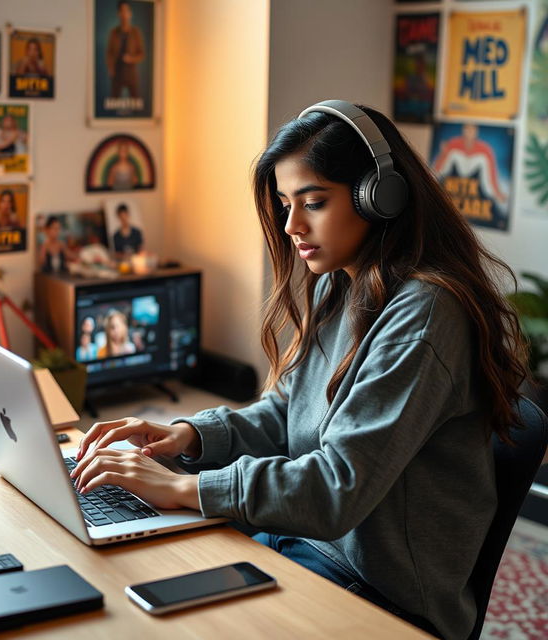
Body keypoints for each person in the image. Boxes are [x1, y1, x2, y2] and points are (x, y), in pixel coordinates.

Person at [71, 100, 529, 639]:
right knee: (128, 592)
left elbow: (337, 489)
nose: (291, 225)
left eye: (313, 202)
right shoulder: (345, 281)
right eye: (286, 203)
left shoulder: (426, 313)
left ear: (382, 197)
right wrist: (188, 435)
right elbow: (290, 410)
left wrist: (182, 491)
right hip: (303, 546)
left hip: (380, 594)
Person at [106, 0, 145, 99]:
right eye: (122, 11)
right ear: (118, 14)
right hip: (117, 72)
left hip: (131, 72)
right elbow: (109, 52)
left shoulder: (136, 32)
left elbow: (141, 54)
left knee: (136, 102)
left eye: (126, 11)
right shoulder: (114, 32)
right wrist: (111, 68)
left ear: (130, 14)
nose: (124, 14)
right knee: (113, 101)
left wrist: (131, 59)